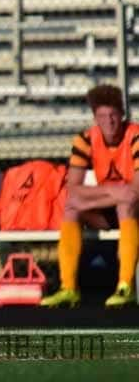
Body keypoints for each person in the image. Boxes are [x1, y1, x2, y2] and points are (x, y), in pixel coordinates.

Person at [40, 84, 139, 308]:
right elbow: (72, 189)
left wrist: (118, 194)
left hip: (135, 208)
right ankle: (69, 288)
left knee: (128, 204)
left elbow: (137, 190)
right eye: (102, 116)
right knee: (72, 207)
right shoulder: (85, 139)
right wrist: (116, 192)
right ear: (95, 117)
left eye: (113, 114)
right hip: (115, 204)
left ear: (122, 114)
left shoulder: (135, 135)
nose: (109, 121)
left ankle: (126, 286)